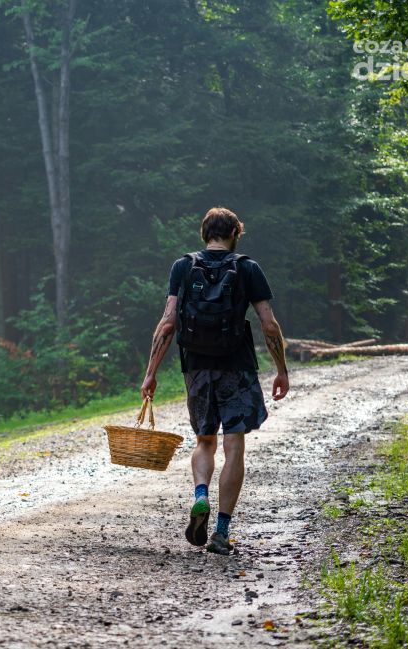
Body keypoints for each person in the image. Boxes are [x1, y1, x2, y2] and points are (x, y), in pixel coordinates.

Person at [139, 207, 289, 555]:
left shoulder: (183, 266)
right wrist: (281, 369)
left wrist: (150, 373)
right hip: (237, 367)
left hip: (197, 366)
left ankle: (200, 495)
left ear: (204, 233)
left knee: (204, 441)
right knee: (233, 445)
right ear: (236, 233)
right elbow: (269, 324)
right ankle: (221, 532)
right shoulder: (248, 268)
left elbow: (167, 324)